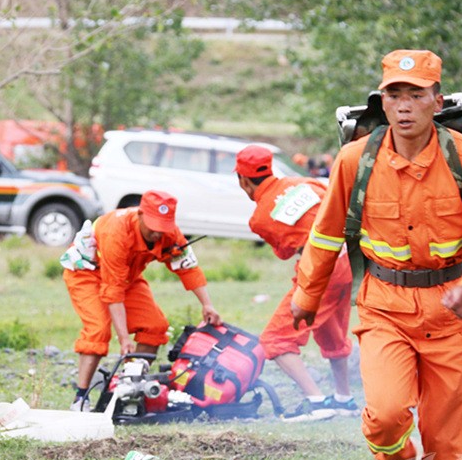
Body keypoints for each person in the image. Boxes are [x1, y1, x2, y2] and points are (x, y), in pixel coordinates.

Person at [290, 50, 462, 460]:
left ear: (437, 101)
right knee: (387, 414)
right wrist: (306, 297)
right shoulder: (355, 160)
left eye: (416, 94)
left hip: (452, 316)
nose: (405, 105)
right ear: (382, 101)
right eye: (394, 95)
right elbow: (325, 236)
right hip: (384, 308)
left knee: (446, 443)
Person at [60, 190, 223, 411]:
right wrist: (124, 338)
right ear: (140, 214)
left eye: (162, 228)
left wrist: (207, 304)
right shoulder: (116, 232)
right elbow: (113, 290)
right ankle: (81, 398)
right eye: (152, 227)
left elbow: (188, 267)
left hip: (127, 276)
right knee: (98, 330)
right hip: (87, 273)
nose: (157, 234)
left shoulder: (169, 233)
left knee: (154, 326)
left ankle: (129, 388)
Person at [234, 145, 358, 422]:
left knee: (275, 340)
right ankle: (344, 399)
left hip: (321, 270)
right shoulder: (305, 182)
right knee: (332, 332)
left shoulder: (259, 218)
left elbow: (284, 252)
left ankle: (316, 402)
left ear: (243, 180)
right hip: (350, 260)